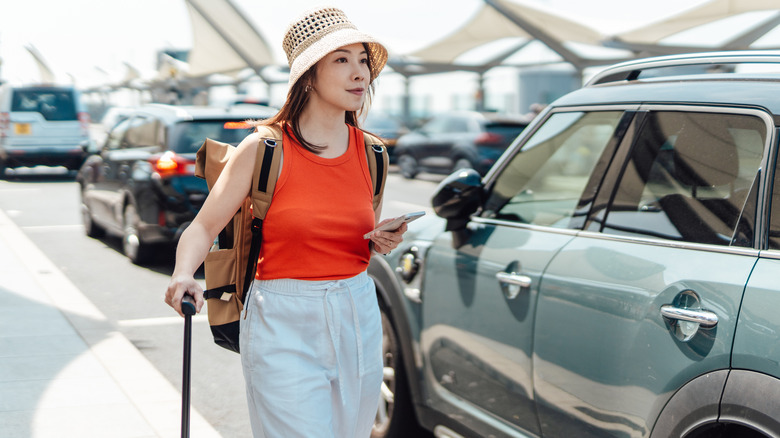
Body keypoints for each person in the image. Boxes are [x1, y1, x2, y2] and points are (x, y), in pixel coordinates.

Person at [164, 6, 406, 438]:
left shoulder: (373, 153)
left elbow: (347, 238)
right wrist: (184, 274)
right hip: (282, 317)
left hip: (357, 311)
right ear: (308, 76)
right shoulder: (265, 149)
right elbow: (202, 227)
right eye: (341, 59)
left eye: (363, 60)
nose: (359, 73)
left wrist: (378, 241)